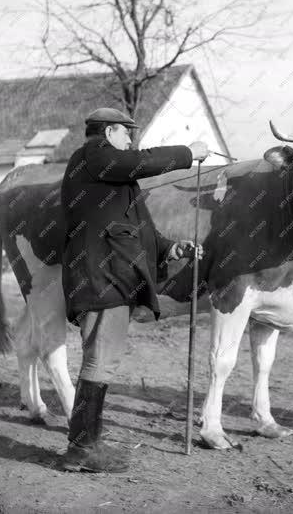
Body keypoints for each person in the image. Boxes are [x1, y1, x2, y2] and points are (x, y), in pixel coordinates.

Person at [60, 107, 209, 472]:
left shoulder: (110, 175)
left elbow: (139, 227)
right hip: (101, 280)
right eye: (127, 134)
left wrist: (170, 247)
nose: (131, 142)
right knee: (98, 363)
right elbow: (140, 161)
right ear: (109, 131)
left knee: (102, 362)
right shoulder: (93, 155)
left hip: (108, 280)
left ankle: (84, 447)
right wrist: (189, 154)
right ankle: (81, 449)